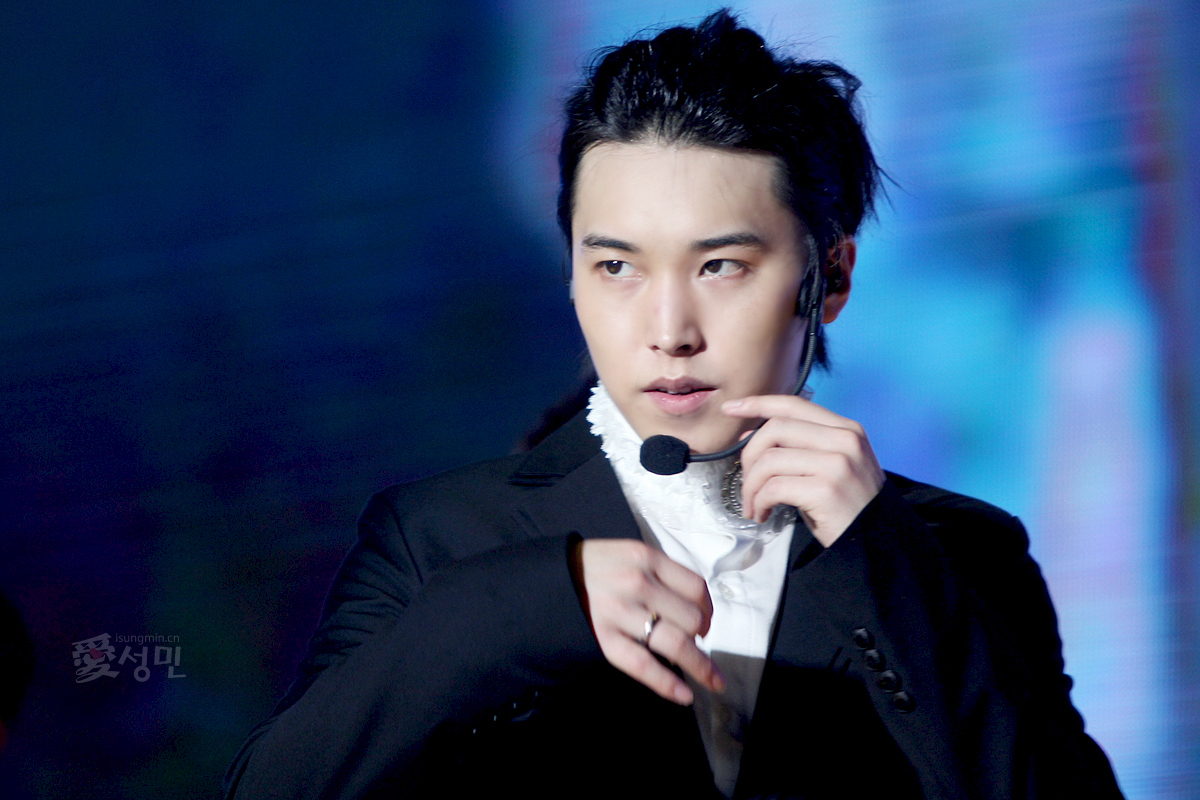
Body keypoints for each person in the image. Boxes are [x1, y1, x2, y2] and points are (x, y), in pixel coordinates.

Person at [224, 10, 1124, 799]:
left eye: (720, 266)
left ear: (832, 276)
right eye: (616, 266)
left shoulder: (962, 555)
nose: (668, 331)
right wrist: (532, 603)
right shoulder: (439, 538)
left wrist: (879, 559)